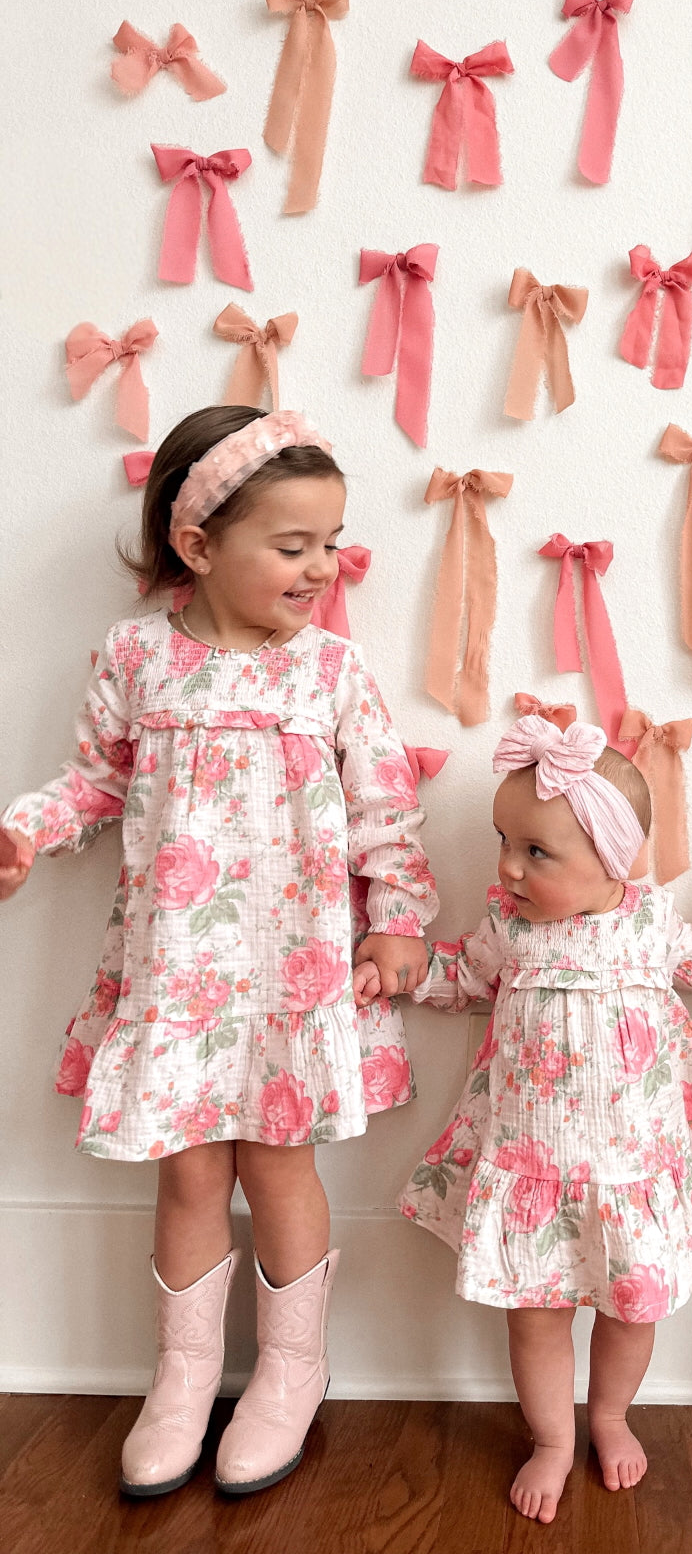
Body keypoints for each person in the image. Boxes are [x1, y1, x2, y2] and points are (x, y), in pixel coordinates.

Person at [0, 406, 438, 1497]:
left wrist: (396, 914)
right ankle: (185, 1375)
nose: (323, 568)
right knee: (191, 1169)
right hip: (177, 973)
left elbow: (385, 801)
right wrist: (26, 831)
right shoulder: (136, 657)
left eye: (331, 543)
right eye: (293, 546)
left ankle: (291, 1370)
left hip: (293, 971)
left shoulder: (329, 670)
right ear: (197, 546)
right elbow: (95, 782)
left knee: (280, 1163)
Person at [396, 715, 692, 1524]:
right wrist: (404, 971)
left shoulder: (648, 923)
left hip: (631, 1171)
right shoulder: (510, 929)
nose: (507, 865)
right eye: (504, 841)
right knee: (535, 1320)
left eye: (536, 852)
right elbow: (461, 975)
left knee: (632, 1310)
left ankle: (609, 1415)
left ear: (612, 856)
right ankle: (551, 1438)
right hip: (533, 1169)